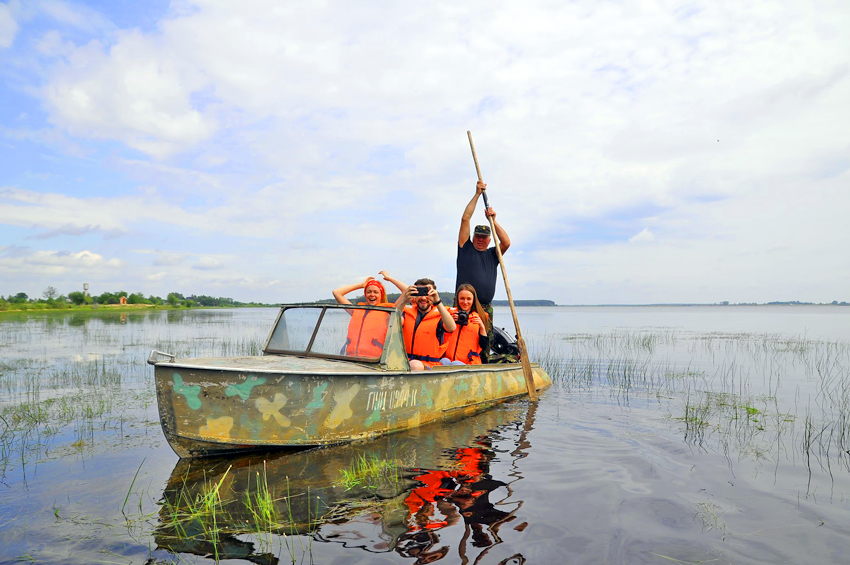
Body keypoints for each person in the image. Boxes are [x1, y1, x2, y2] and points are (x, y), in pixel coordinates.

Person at [456, 180, 510, 362]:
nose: (480, 240)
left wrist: (493, 221)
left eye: (484, 238)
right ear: (473, 237)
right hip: (464, 304)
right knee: (462, 339)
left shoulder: (493, 254)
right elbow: (465, 219)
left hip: (485, 308)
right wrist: (477, 194)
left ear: (489, 240)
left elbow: (506, 243)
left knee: (485, 341)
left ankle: (483, 365)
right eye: (477, 236)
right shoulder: (465, 248)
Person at [332, 272, 406, 358]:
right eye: (369, 292)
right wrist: (361, 285)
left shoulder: (389, 313)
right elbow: (336, 293)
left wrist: (389, 278)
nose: (372, 294)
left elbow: (406, 290)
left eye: (376, 292)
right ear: (365, 294)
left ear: (381, 296)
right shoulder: (356, 310)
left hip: (374, 361)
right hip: (351, 358)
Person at [396, 278, 457, 371]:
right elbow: (391, 323)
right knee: (413, 365)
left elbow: (452, 328)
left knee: (415, 365)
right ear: (415, 296)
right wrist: (404, 300)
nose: (423, 298)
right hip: (405, 361)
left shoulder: (440, 316)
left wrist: (437, 301)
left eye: (427, 293)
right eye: (420, 293)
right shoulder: (406, 313)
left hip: (429, 365)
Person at [441, 284, 488, 365]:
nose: (465, 302)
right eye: (462, 298)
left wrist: (482, 327)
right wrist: (449, 321)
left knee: (456, 364)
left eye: (469, 299)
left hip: (468, 363)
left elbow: (484, 347)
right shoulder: (449, 315)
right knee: (444, 361)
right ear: (457, 299)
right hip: (447, 361)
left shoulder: (480, 317)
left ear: (473, 300)